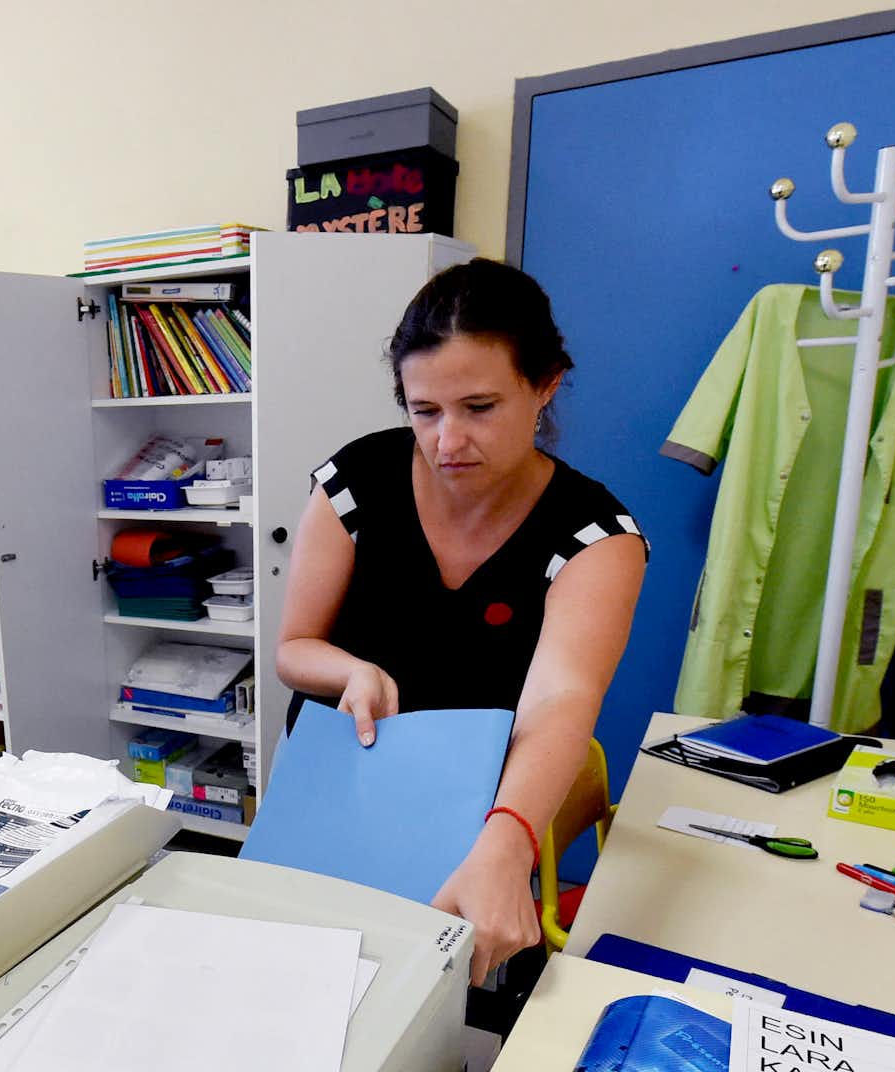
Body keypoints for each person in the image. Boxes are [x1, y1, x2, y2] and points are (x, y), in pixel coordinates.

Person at [275, 259, 646, 1019]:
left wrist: (507, 843)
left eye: (479, 407)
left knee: (433, 1014)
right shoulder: (357, 481)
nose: (449, 441)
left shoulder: (594, 536)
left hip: (478, 813)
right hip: (338, 789)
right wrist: (349, 671)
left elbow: (561, 704)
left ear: (545, 386)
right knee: (300, 1002)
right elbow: (294, 648)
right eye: (425, 411)